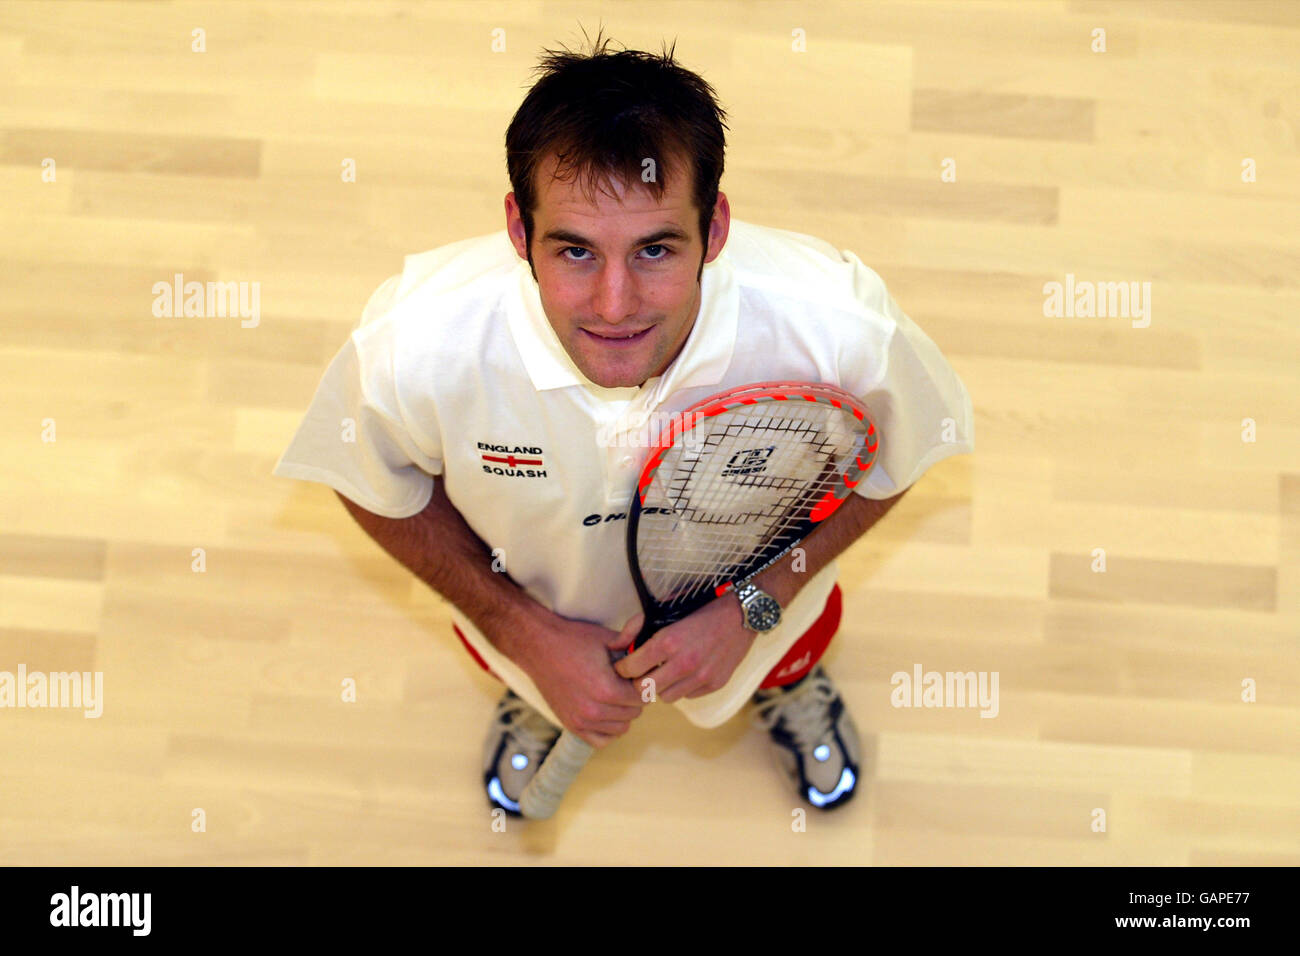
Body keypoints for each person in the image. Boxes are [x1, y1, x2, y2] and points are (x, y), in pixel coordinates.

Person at [273, 32, 974, 816]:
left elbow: (898, 458)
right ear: (517, 229)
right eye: (574, 251)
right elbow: (371, 483)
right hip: (527, 621)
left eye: (654, 250)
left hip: (766, 615)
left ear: (715, 231)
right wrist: (521, 630)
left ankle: (786, 688)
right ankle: (538, 700)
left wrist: (754, 608)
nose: (614, 306)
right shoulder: (411, 346)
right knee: (529, 674)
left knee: (785, 657)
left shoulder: (840, 330)